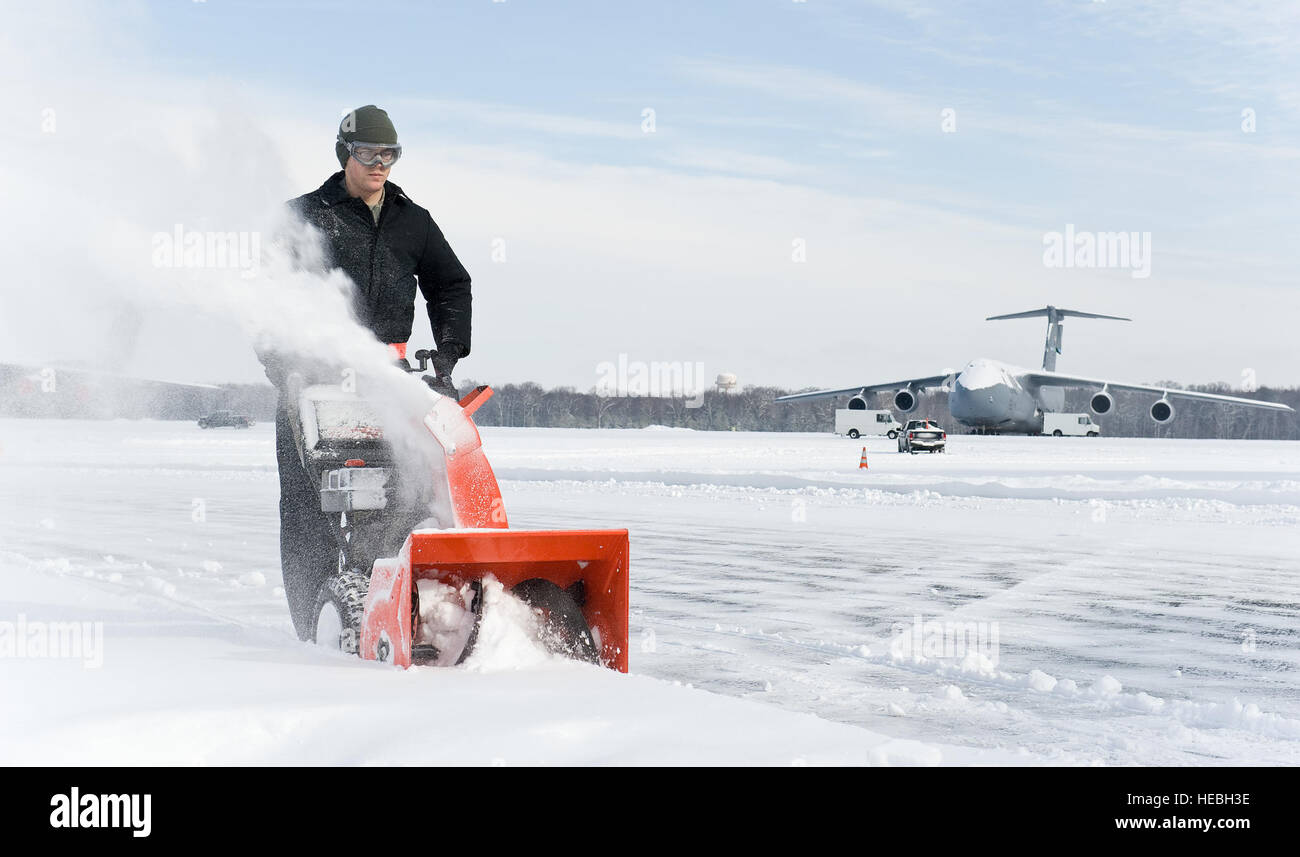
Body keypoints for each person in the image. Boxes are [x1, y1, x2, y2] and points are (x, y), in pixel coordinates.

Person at [260, 104, 473, 640]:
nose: (380, 164)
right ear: (344, 153)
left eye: (390, 154)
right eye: (369, 153)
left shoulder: (412, 220)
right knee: (313, 510)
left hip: (388, 379)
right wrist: (283, 365)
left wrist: (448, 351)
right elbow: (265, 299)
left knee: (405, 492)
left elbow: (451, 284)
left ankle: (392, 606)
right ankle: (314, 630)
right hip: (312, 385)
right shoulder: (303, 216)